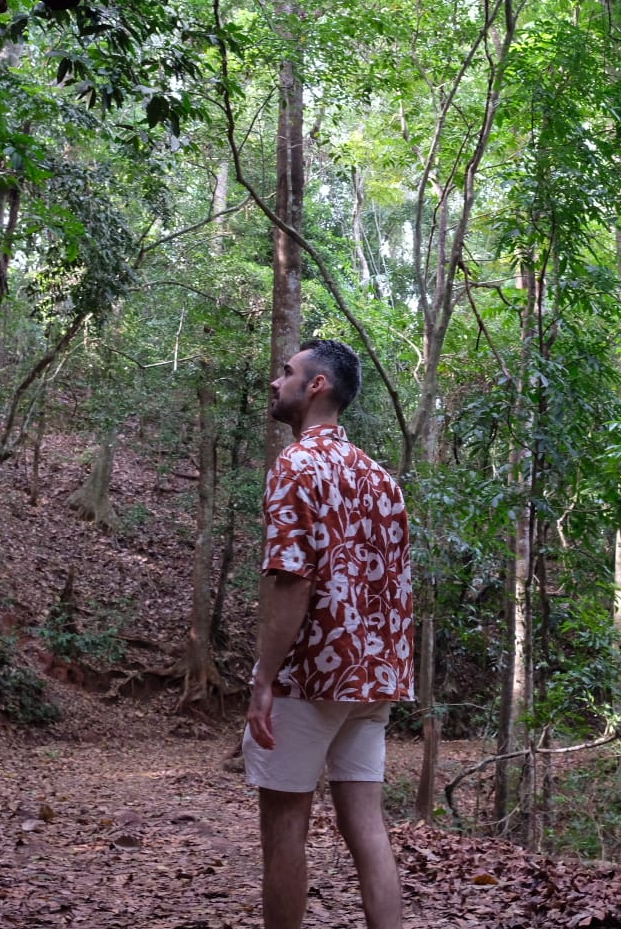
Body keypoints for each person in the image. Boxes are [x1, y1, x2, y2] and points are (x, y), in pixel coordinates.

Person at [244, 338, 413, 929]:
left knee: (285, 829)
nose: (275, 382)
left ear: (316, 386)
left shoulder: (296, 465)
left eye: (286, 372)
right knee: (366, 826)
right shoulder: (382, 479)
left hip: (311, 676)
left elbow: (291, 581)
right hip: (374, 679)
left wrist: (264, 677)